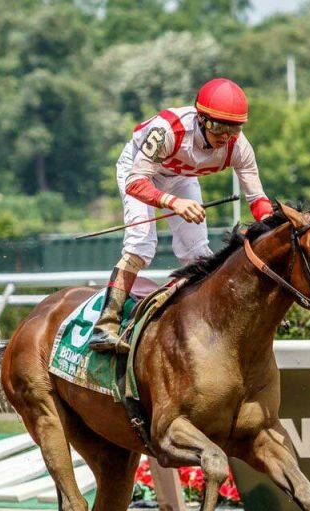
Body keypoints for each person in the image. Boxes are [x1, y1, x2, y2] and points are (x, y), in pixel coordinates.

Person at [89, 78, 273, 353]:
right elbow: (135, 183)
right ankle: (106, 325)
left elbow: (257, 199)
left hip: (181, 177)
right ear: (201, 119)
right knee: (141, 244)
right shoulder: (167, 131)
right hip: (140, 171)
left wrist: (272, 228)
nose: (225, 136)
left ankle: (202, 322)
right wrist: (173, 203)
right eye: (218, 126)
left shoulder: (239, 146)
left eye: (233, 128)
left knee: (198, 253)